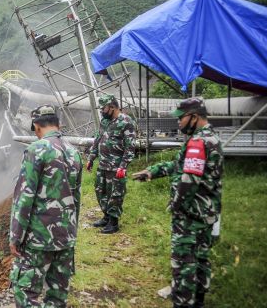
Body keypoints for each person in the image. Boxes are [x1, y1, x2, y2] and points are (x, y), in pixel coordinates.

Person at [132, 97, 223, 308]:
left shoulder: (198, 142)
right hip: (205, 212)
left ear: (194, 117)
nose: (178, 123)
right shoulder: (210, 138)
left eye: (181, 118)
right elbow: (179, 165)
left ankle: (183, 301)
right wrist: (152, 171)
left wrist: (176, 206)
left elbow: (189, 179)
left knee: (184, 264)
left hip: (190, 215)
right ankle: (197, 301)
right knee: (201, 260)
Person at [9, 105, 82, 308]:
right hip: (66, 237)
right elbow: (76, 197)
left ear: (36, 126)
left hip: (38, 238)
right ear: (58, 124)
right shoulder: (74, 153)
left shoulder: (36, 150)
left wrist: (15, 236)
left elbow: (25, 197)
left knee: (25, 292)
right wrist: (71, 233)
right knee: (57, 296)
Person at [86, 94, 136, 234]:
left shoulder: (126, 122)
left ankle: (113, 223)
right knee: (100, 190)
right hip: (103, 164)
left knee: (115, 194)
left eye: (103, 108)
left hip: (116, 167)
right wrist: (91, 158)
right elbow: (97, 139)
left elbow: (130, 146)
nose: (102, 111)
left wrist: (123, 166)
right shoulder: (105, 122)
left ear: (112, 107)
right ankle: (106, 217)